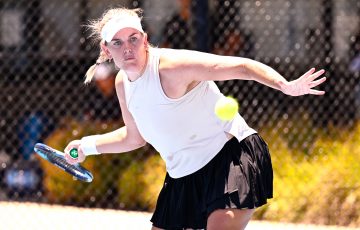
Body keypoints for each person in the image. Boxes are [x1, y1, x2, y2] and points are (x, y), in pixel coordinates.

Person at [64, 7, 326, 230]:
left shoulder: (174, 66)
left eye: (133, 39)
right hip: (182, 177)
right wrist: (86, 145)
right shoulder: (123, 83)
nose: (128, 48)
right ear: (106, 49)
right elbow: (134, 137)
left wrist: (285, 85)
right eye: (118, 43)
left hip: (230, 157)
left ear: (145, 40)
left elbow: (242, 66)